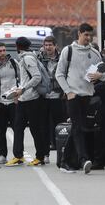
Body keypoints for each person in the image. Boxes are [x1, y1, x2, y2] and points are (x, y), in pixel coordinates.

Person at [55, 23, 105, 174]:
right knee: (78, 127)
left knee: (79, 128)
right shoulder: (68, 51)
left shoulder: (95, 52)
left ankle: (64, 162)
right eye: (86, 35)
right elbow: (59, 74)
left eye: (91, 35)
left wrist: (100, 76)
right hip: (72, 96)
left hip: (88, 96)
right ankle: (84, 159)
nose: (89, 38)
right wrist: (68, 91)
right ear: (79, 34)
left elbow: (104, 74)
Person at [5, 37, 47, 167]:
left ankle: (40, 156)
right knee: (18, 127)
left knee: (35, 128)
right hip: (24, 98)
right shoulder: (24, 57)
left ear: (18, 46)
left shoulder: (28, 58)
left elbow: (36, 77)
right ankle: (18, 156)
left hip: (32, 99)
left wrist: (23, 89)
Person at [38, 36, 65, 164]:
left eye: (50, 45)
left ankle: (62, 154)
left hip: (58, 97)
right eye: (46, 45)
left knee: (60, 127)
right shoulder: (39, 59)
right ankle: (44, 154)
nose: (48, 47)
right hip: (43, 97)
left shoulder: (62, 58)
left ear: (55, 46)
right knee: (43, 127)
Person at [0, 42, 18, 164]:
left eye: (4, 50)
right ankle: (2, 155)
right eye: (0, 51)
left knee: (17, 129)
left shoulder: (13, 63)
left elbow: (20, 79)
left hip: (13, 101)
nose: (3, 53)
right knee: (1, 130)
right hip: (0, 102)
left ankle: (18, 154)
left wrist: (18, 96)